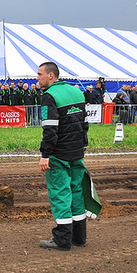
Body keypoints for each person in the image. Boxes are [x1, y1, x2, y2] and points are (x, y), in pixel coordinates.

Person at [37, 61, 89, 251]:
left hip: (59, 154)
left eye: (40, 74)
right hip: (77, 152)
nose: (37, 78)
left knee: (60, 193)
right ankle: (79, 238)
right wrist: (82, 146)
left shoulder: (49, 95)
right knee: (76, 192)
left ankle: (62, 240)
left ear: (51, 76)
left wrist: (45, 154)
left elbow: (50, 129)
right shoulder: (77, 92)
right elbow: (84, 124)